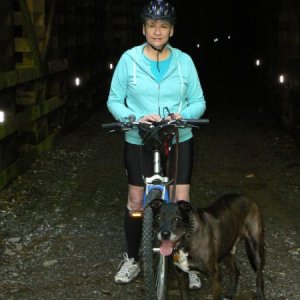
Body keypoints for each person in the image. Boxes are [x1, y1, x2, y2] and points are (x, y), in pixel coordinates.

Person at [106, 0, 206, 289]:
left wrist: (183, 116)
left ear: (171, 30)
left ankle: (187, 260)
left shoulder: (185, 61)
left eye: (163, 26)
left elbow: (199, 101)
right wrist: (133, 117)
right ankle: (133, 259)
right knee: (137, 202)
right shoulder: (129, 60)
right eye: (152, 25)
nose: (157, 31)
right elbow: (114, 99)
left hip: (178, 138)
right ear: (144, 28)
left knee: (181, 202)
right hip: (139, 138)